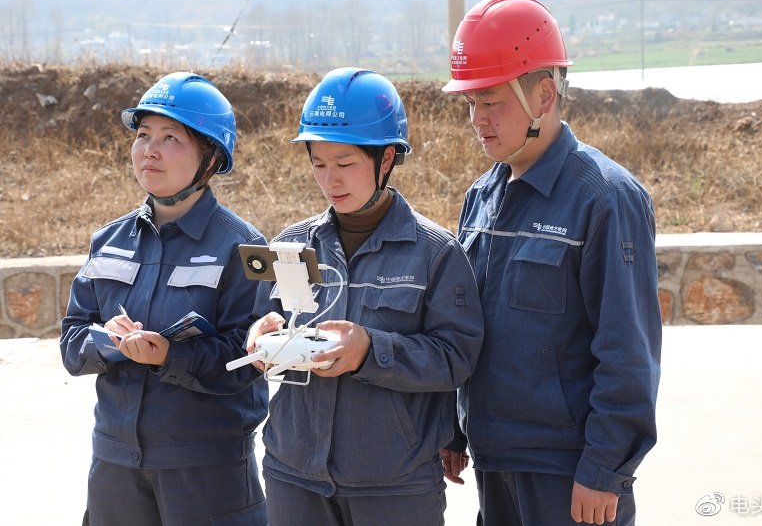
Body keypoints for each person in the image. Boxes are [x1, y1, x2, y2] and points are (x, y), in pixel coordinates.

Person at [439, 0, 662, 525]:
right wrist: (453, 427)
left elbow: (628, 349)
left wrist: (606, 469)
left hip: (570, 474)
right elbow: (465, 325)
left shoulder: (605, 198)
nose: (478, 120)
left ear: (543, 95)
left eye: (491, 102)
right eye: (471, 103)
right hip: (495, 463)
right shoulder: (481, 197)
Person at [245, 67, 484, 526]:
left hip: (395, 486)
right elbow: (266, 319)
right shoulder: (293, 244)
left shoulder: (435, 253)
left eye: (346, 163)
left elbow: (458, 357)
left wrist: (372, 351)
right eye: (318, 164)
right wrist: (261, 338)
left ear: (387, 158)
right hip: (293, 476)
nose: (330, 180)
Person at [60, 72, 269, 525]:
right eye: (142, 135)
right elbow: (72, 342)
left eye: (170, 137)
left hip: (206, 471)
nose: (149, 150)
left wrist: (170, 355)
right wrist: (107, 342)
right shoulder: (109, 241)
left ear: (210, 157)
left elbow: (250, 359)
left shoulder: (247, 247)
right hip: (115, 467)